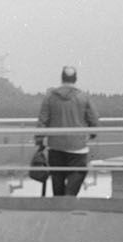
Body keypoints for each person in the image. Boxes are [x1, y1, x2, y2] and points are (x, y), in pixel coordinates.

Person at [35, 66, 99, 197]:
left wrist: (40, 141)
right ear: (75, 79)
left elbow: (42, 121)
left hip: (55, 146)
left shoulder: (50, 97)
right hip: (78, 147)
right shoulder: (83, 97)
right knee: (77, 175)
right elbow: (94, 121)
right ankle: (69, 200)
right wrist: (92, 134)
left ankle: (59, 206)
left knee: (57, 178)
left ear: (62, 78)